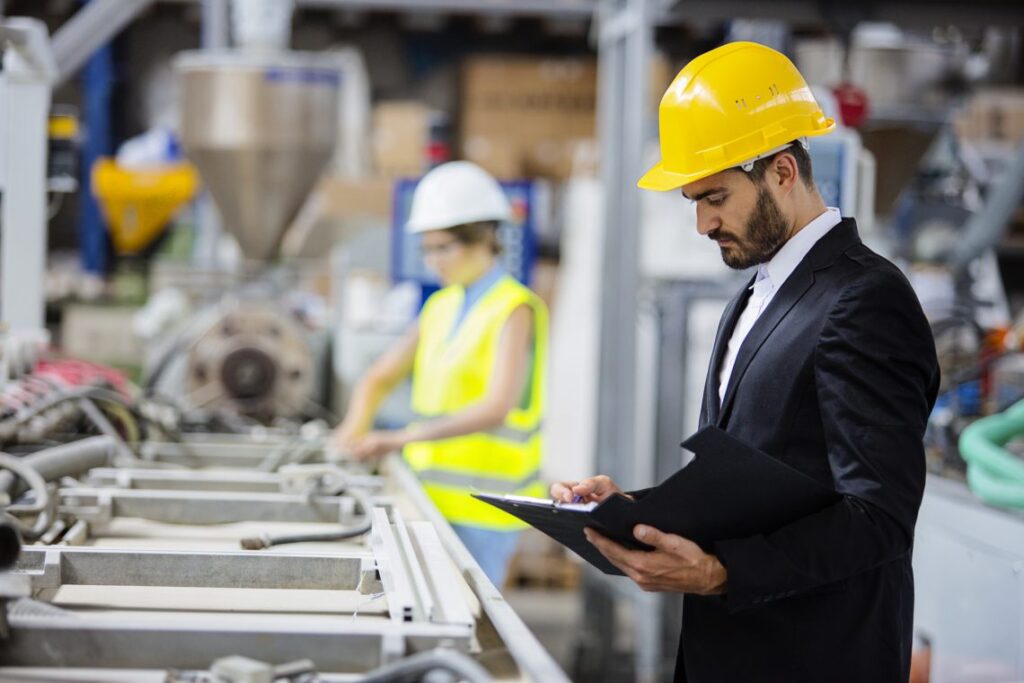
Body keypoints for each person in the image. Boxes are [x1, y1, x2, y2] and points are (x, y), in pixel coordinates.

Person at [552, 42, 940, 682]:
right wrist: (635, 510)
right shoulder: (755, 298)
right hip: (732, 651)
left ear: (782, 172)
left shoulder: (865, 299)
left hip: (814, 658)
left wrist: (720, 571)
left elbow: (879, 517)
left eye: (716, 197)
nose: (703, 224)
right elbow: (760, 481)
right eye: (694, 202)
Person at [334, 160, 548, 588]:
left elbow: (496, 407)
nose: (434, 261)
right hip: (429, 497)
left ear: (484, 238)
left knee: (474, 620)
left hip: (486, 509)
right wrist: (351, 430)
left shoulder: (514, 308)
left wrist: (399, 438)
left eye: (444, 248)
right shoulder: (440, 306)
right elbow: (379, 377)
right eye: (427, 249)